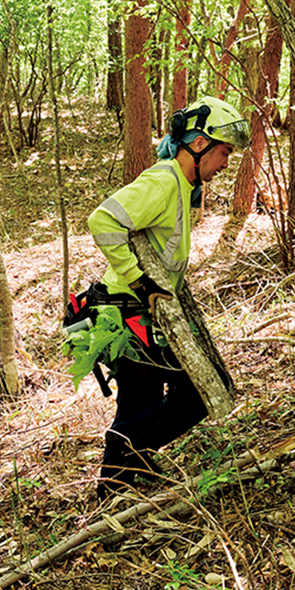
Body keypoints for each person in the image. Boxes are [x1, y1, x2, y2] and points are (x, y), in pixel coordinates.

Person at [87, 97, 248, 499]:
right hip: (123, 312)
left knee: (139, 406)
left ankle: (114, 490)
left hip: (131, 313)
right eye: (224, 151)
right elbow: (102, 219)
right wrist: (139, 280)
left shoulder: (179, 185)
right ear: (198, 145)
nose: (226, 163)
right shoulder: (163, 182)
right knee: (196, 394)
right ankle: (127, 453)